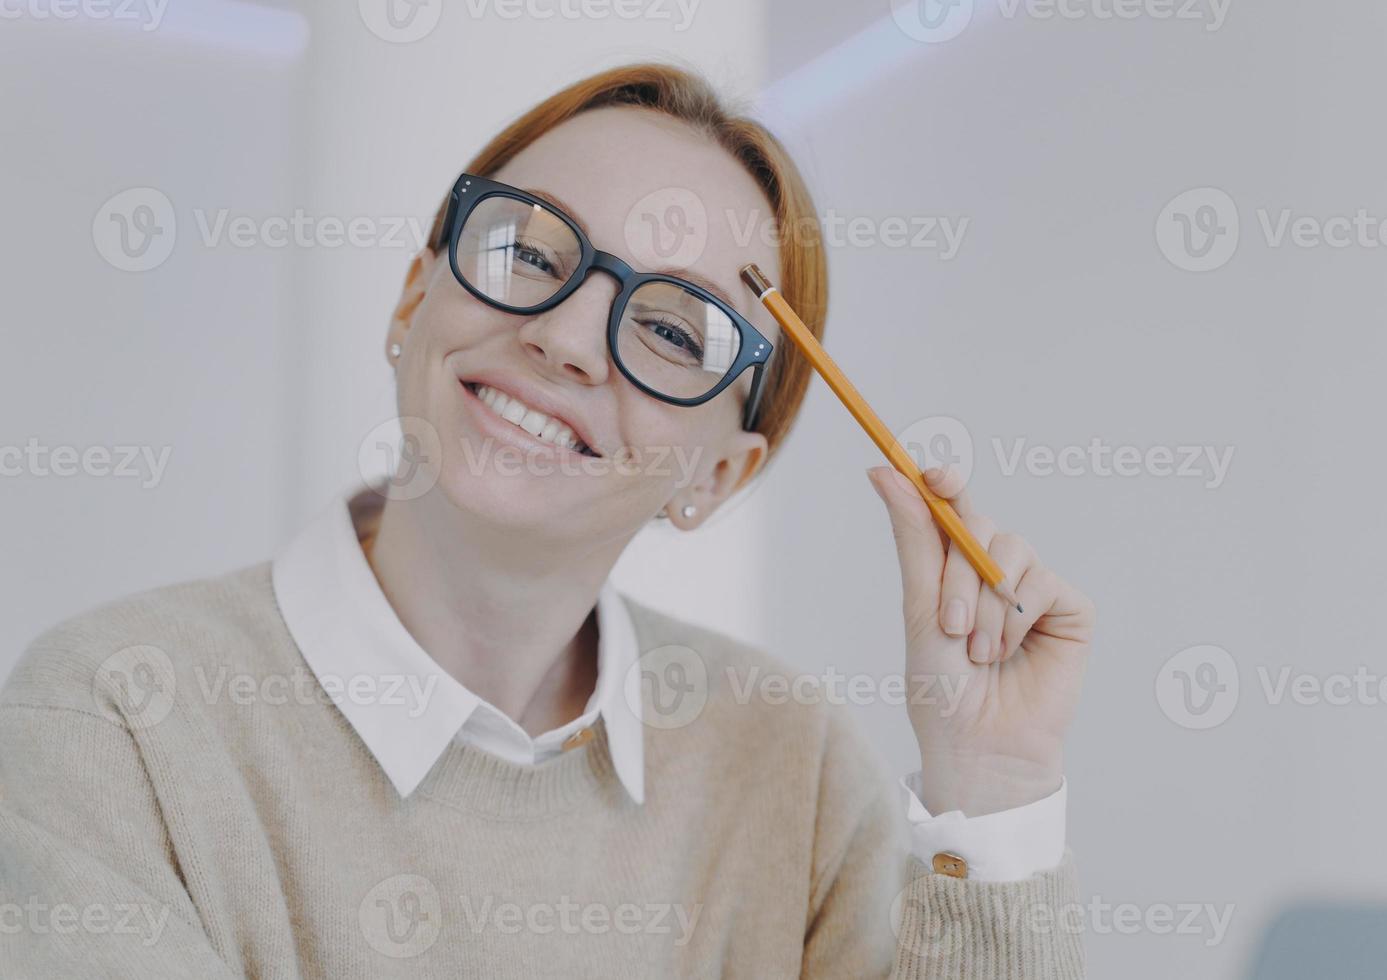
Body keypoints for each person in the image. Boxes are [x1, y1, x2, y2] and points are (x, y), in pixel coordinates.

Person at [0, 62, 1095, 978]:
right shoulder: (117, 716)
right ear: (411, 298)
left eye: (673, 329)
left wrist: (992, 796)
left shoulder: (793, 772)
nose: (567, 339)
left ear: (717, 472)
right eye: (527, 252)